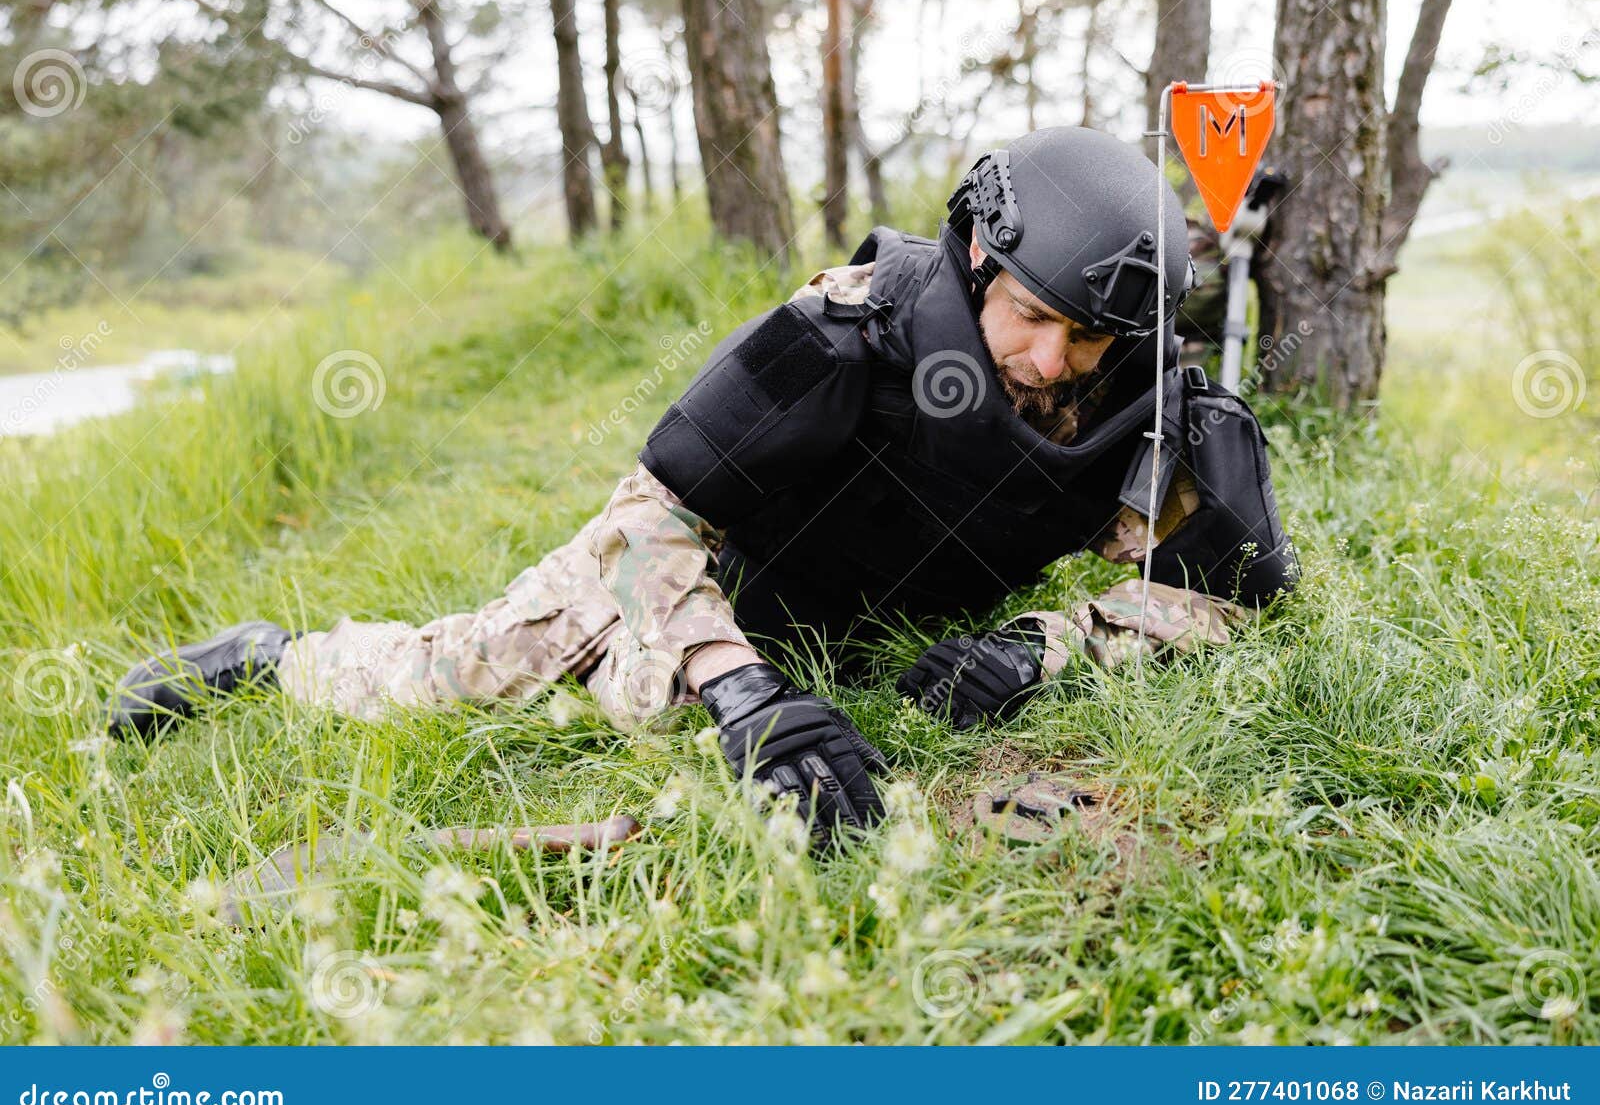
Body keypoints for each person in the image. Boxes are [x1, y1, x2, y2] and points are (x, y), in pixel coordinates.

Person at [109, 127, 1298, 852]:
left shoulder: (1138, 402)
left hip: (876, 611)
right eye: (1032, 320)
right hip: (709, 581)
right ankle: (272, 657)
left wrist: (1046, 645)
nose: (1050, 364)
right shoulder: (845, 333)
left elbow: (1222, 596)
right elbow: (649, 520)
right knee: (452, 679)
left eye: (1085, 340)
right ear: (982, 255)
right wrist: (739, 694)